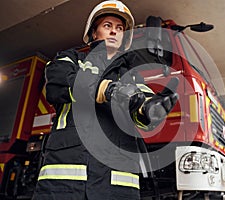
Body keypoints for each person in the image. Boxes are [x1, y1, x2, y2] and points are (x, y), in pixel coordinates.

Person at [33, 0, 178, 199]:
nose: (114, 32)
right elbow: (59, 82)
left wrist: (148, 111)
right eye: (107, 26)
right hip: (65, 181)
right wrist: (106, 90)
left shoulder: (133, 77)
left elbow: (140, 107)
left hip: (117, 184)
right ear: (94, 33)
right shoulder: (72, 59)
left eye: (120, 28)